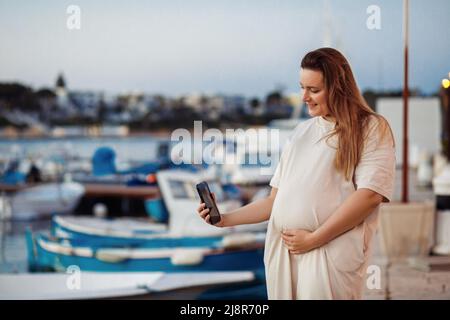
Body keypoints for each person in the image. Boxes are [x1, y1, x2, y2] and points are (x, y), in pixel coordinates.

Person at [197, 47, 395, 300]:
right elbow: (273, 202)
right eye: (302, 88)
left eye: (314, 90)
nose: (304, 97)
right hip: (284, 252)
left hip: (328, 251)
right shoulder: (301, 132)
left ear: (339, 88)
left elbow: (370, 196)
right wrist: (224, 219)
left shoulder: (371, 128)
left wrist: (314, 239)